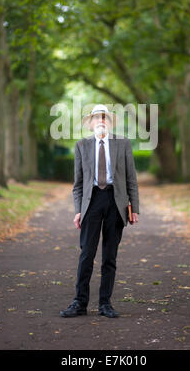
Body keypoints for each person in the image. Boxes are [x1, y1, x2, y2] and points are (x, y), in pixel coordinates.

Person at [60, 104, 139, 318]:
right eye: (97, 117)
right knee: (87, 254)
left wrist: (135, 208)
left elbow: (131, 179)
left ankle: (105, 303)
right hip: (92, 201)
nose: (101, 120)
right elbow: (78, 184)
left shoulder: (122, 144)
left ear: (110, 122)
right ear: (91, 123)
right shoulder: (81, 146)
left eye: (105, 117)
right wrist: (78, 210)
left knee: (109, 256)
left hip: (116, 201)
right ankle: (80, 302)